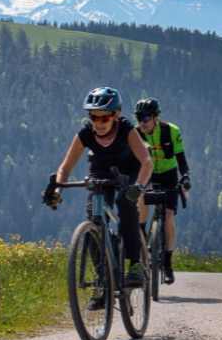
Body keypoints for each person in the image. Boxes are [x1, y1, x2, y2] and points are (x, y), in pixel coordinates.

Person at [44, 87, 153, 302]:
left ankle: (135, 264)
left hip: (127, 173)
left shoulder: (127, 130)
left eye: (105, 117)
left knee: (125, 204)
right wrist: (57, 188)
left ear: (116, 115)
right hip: (100, 173)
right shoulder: (85, 133)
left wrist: (138, 187)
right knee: (93, 221)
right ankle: (105, 280)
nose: (99, 122)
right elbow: (65, 168)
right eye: (94, 117)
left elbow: (146, 162)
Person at [133, 97, 191, 285]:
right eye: (139, 118)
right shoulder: (134, 134)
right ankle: (141, 241)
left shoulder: (171, 131)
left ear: (156, 117)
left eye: (146, 118)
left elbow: (181, 158)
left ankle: (167, 263)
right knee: (140, 201)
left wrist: (186, 176)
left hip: (168, 175)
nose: (142, 122)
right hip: (147, 174)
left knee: (168, 216)